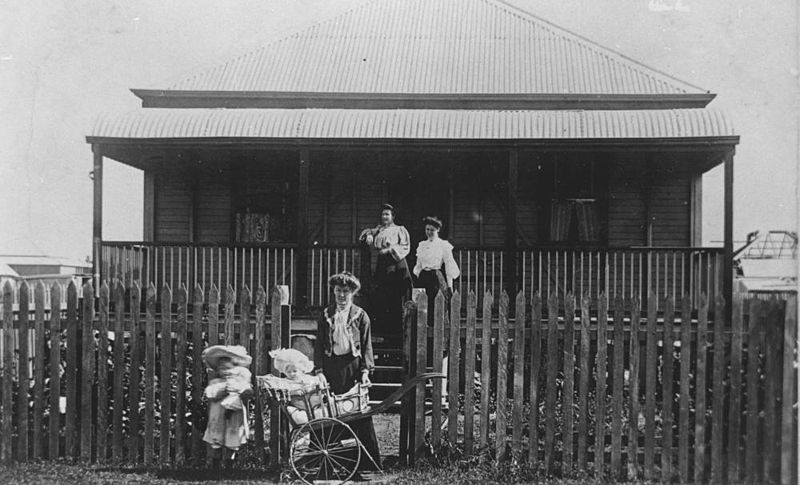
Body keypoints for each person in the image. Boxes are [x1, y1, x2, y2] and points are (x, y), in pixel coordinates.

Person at [313, 271, 381, 469]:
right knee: (330, 413)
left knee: (357, 412)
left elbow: (366, 346)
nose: (342, 296)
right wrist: (319, 371)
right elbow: (318, 346)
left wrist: (365, 372)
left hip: (352, 370)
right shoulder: (326, 315)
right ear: (333, 292)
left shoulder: (361, 316)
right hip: (331, 369)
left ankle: (364, 463)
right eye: (338, 291)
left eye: (346, 292)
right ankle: (329, 462)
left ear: (353, 293)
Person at [359, 203, 412, 335]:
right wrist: (369, 235)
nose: (385, 217)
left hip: (395, 263)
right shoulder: (379, 229)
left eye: (387, 214)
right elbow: (366, 232)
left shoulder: (400, 229)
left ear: (393, 216)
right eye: (383, 214)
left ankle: (397, 329)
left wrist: (389, 250)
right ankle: (384, 329)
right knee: (381, 294)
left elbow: (405, 247)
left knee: (394, 293)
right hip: (382, 264)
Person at [202, 345, 253, 467]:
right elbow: (211, 394)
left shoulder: (240, 382)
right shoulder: (216, 382)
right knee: (217, 437)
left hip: (234, 416)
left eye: (227, 368)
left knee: (233, 437)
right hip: (218, 416)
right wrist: (224, 389)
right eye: (221, 368)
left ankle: (230, 461)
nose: (224, 371)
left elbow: (248, 392)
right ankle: (216, 462)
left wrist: (243, 391)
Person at [413, 216, 460, 320]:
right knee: (422, 307)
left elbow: (449, 265)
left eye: (432, 230)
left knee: (436, 306)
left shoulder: (443, 245)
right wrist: (417, 279)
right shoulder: (422, 245)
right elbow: (418, 265)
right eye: (427, 229)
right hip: (423, 277)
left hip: (436, 278)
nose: (429, 232)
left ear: (438, 230)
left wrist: (449, 286)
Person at [266, 348, 324, 424]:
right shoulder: (286, 382)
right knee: (301, 412)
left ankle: (320, 407)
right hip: (299, 404)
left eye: (295, 371)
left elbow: (314, 381)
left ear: (300, 370)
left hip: (311, 401)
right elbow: (283, 393)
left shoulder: (305, 378)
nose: (292, 374)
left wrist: (318, 384)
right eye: (288, 372)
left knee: (319, 394)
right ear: (284, 372)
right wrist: (293, 392)